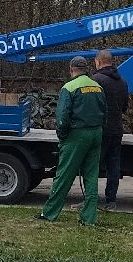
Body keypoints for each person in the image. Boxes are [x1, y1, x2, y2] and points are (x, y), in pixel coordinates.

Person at [38, 56, 106, 226]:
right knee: (91, 177)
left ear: (71, 70)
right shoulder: (97, 87)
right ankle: (89, 218)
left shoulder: (69, 88)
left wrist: (62, 136)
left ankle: (49, 213)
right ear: (86, 69)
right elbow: (105, 112)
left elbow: (62, 117)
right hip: (96, 133)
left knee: (64, 175)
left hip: (77, 136)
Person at [93, 49, 130, 210]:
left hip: (101, 130)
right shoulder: (122, 81)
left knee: (92, 166)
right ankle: (111, 201)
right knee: (113, 167)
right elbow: (125, 107)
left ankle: (90, 199)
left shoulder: (96, 80)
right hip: (116, 130)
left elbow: (91, 106)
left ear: (98, 62)